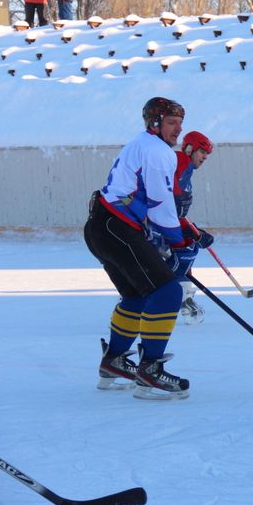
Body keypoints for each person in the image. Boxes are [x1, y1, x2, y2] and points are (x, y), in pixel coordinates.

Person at [84, 97, 198, 400]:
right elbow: (160, 207)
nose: (179, 129)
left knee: (137, 295)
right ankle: (150, 370)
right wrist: (179, 242)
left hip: (101, 227)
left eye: (180, 123)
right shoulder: (158, 150)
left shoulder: (140, 143)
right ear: (155, 123)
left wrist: (181, 229)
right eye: (172, 123)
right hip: (116, 228)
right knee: (169, 292)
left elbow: (148, 200)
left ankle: (115, 361)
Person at [172, 131, 215, 324]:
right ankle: (183, 298)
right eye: (202, 151)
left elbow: (176, 210)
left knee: (189, 246)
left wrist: (192, 228)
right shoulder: (181, 160)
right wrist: (190, 230)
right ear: (190, 149)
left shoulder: (186, 168)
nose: (205, 157)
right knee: (184, 251)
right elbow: (168, 204)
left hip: (167, 222)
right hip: (155, 224)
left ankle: (185, 297)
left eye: (207, 153)